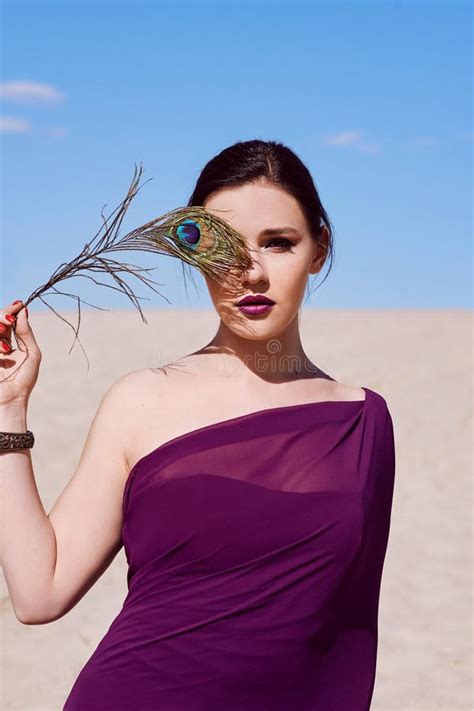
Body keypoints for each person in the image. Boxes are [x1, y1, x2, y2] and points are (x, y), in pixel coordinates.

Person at [0, 139, 396, 710]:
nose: (250, 272)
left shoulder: (363, 422)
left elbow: (349, 633)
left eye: (278, 243)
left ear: (318, 250)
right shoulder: (142, 400)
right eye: (224, 247)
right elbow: (39, 593)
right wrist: (9, 410)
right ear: (194, 254)